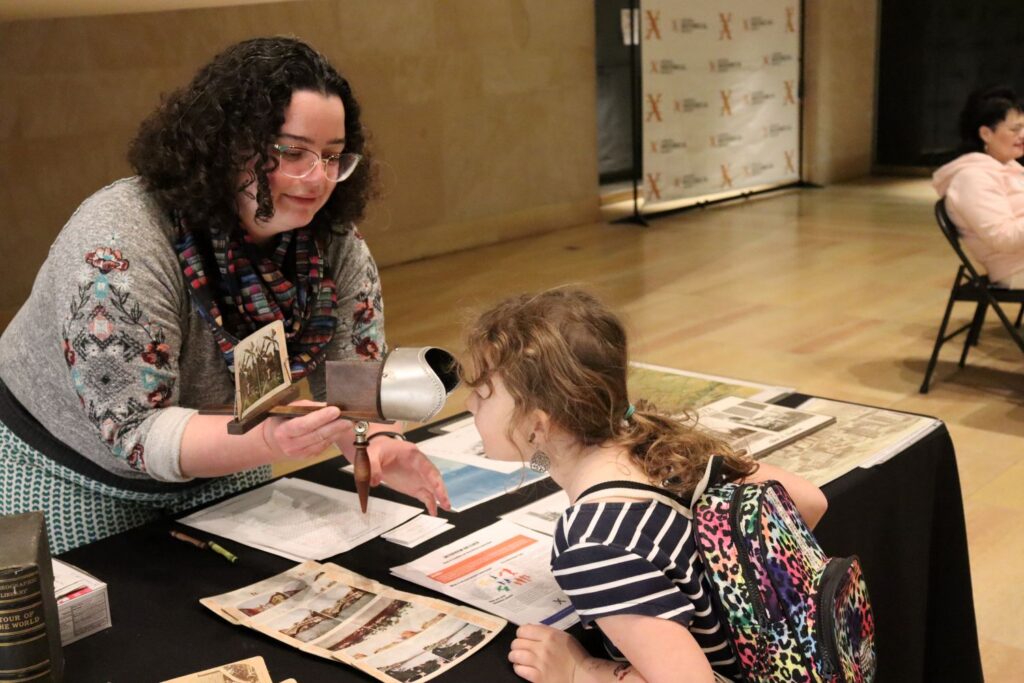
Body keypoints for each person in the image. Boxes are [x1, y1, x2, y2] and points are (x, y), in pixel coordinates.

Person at [0, 36, 449, 554]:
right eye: (293, 152)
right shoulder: (118, 244)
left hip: (229, 451)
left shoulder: (334, 243)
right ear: (226, 145)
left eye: (332, 157)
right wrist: (266, 440)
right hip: (73, 475)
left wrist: (376, 443)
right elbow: (133, 431)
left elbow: (347, 383)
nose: (318, 179)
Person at [460, 289, 828, 683]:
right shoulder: (658, 445)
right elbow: (811, 501)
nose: (468, 405)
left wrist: (579, 670)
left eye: (482, 396)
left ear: (537, 425)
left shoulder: (594, 543)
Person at [933, 85, 1024, 287]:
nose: (1023, 135)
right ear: (986, 134)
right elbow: (1004, 237)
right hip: (1016, 269)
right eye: (1015, 129)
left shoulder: (1009, 167)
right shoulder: (972, 178)